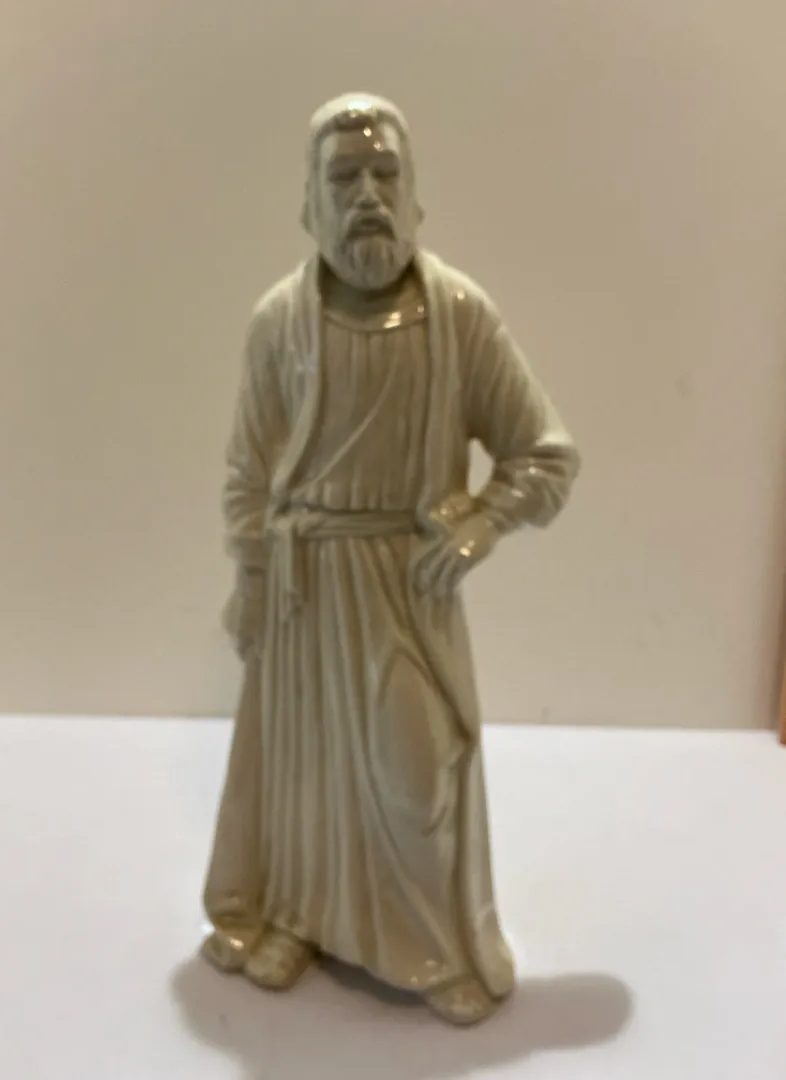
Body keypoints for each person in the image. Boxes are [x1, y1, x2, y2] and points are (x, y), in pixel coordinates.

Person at [200, 92, 580, 1026]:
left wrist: (479, 524)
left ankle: (435, 946)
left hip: (406, 586)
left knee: (417, 779)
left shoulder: (459, 317)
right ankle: (295, 918)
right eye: (344, 179)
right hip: (303, 587)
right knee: (303, 778)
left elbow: (545, 455)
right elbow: (247, 472)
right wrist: (253, 577)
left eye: (384, 175)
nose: (367, 197)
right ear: (309, 205)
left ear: (416, 200)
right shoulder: (278, 323)